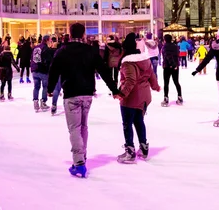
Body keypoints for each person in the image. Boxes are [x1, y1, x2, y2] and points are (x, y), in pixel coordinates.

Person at [48, 23, 120, 178]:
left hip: (72, 94)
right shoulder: (90, 51)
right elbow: (103, 70)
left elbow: (54, 70)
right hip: (87, 93)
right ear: (83, 34)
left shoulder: (63, 51)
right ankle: (82, 156)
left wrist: (50, 88)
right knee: (83, 127)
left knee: (74, 128)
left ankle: (79, 162)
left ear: (69, 33)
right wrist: (114, 89)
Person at [116, 33, 161, 163]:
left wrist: (122, 94)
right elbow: (151, 74)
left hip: (131, 97)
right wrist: (155, 86)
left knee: (127, 124)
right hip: (144, 96)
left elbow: (130, 80)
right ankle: (144, 148)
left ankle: (130, 152)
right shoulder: (144, 59)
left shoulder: (128, 62)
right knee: (139, 121)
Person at [31, 35, 53, 112]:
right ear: (47, 40)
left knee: (36, 87)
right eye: (50, 40)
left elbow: (32, 58)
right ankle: (43, 102)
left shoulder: (35, 48)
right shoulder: (46, 48)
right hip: (42, 71)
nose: (51, 41)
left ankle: (35, 103)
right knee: (45, 87)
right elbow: (48, 60)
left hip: (34, 70)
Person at [161, 34, 182, 107]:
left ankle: (166, 98)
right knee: (176, 82)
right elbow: (177, 55)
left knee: (166, 83)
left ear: (165, 40)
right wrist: (175, 65)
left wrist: (172, 64)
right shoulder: (175, 46)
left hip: (168, 66)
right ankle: (180, 97)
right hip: (175, 66)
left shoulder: (165, 46)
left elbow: (167, 55)